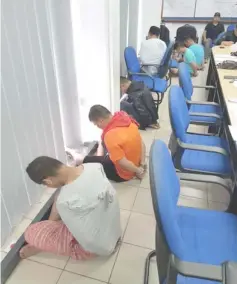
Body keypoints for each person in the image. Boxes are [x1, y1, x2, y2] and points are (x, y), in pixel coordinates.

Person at [20, 158, 120, 259]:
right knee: (59, 197)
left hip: (99, 248)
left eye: (45, 184)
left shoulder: (64, 202)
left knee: (30, 233)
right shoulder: (95, 166)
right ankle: (51, 224)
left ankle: (44, 240)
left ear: (48, 181)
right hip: (113, 229)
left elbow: (83, 238)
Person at [82, 105, 146, 182]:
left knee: (85, 160)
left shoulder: (110, 135)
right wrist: (141, 164)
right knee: (102, 145)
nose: (97, 127)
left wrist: (138, 171)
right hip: (135, 162)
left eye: (96, 124)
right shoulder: (126, 118)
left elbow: (122, 162)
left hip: (123, 174)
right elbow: (142, 144)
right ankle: (101, 157)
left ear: (101, 120)